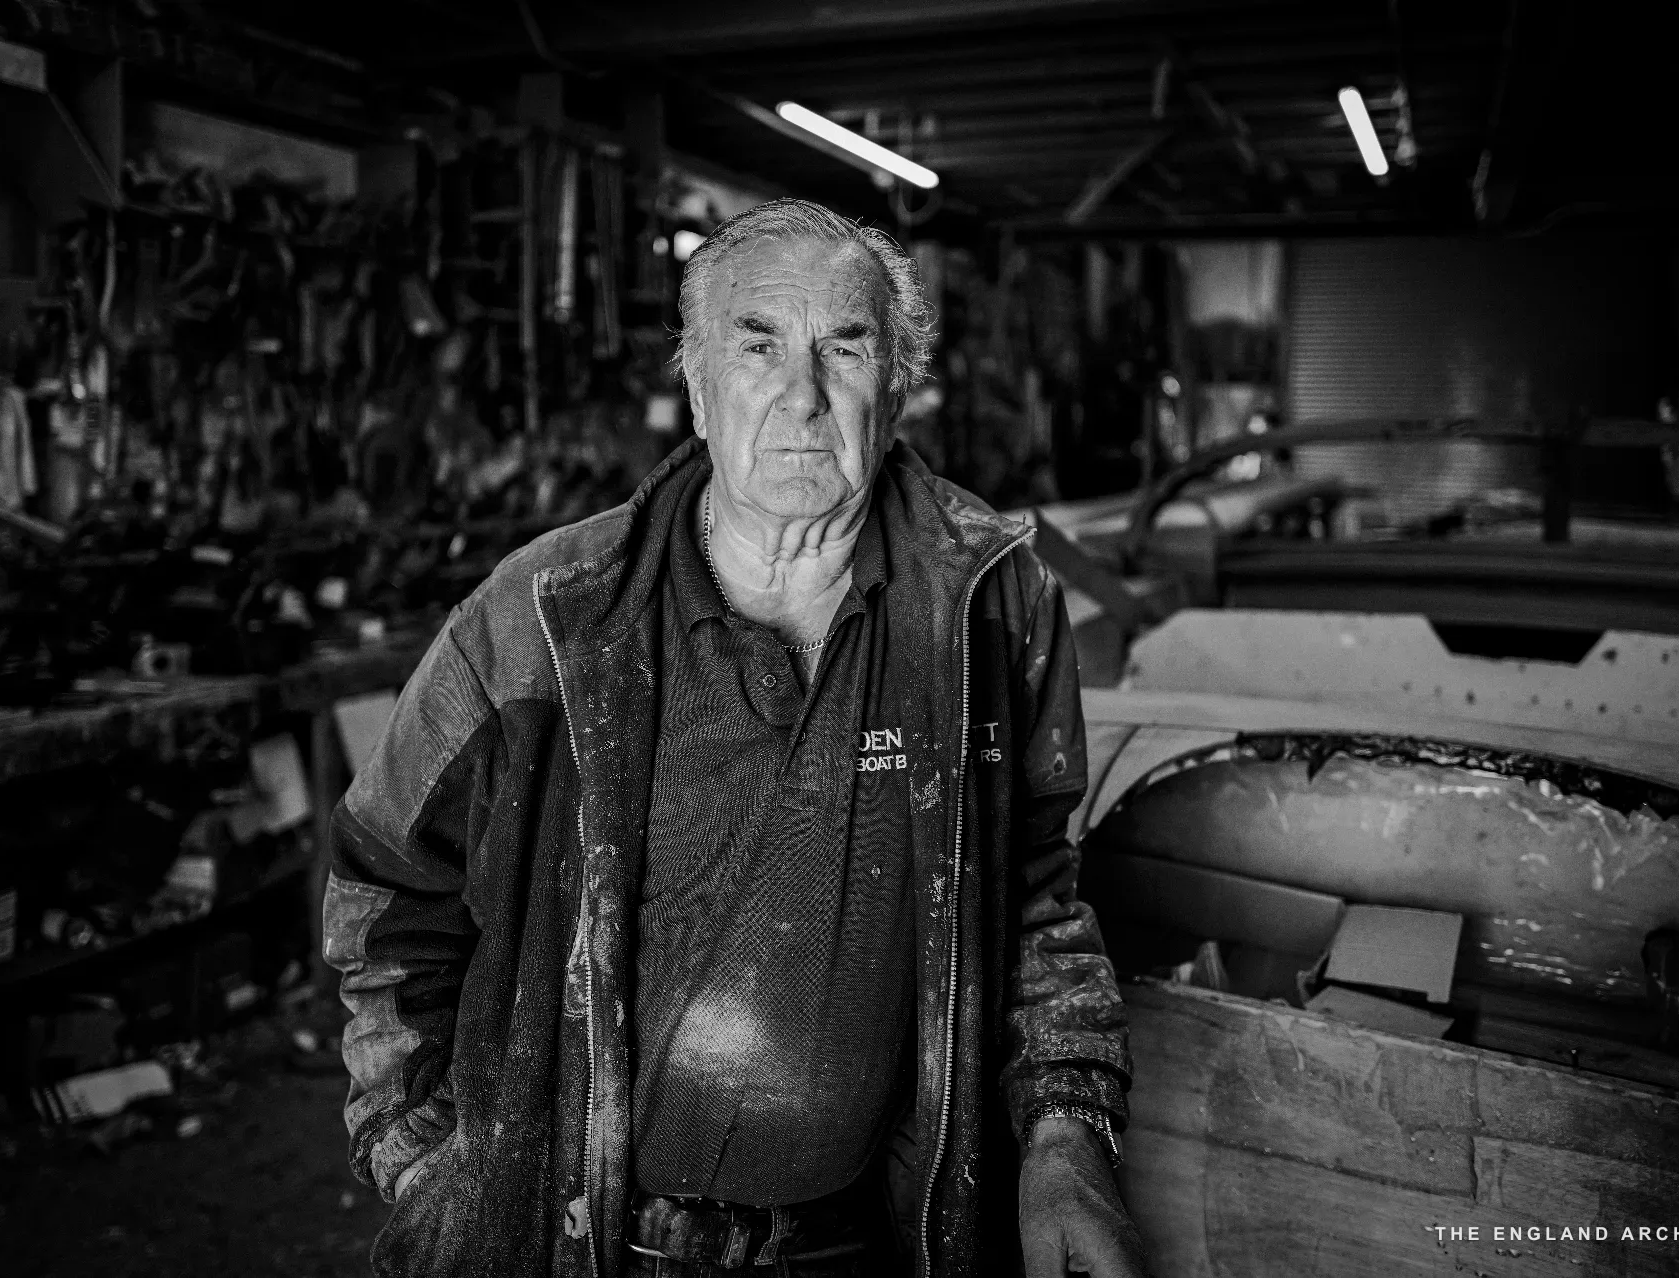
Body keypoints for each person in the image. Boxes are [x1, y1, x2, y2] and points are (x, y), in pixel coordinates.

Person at [324, 198, 1145, 1278]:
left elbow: (1038, 901)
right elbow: (386, 890)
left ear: (896, 389)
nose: (802, 396)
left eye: (844, 347)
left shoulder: (991, 613)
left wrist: (1063, 1143)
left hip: (865, 1240)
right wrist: (431, 1166)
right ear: (699, 392)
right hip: (576, 1239)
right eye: (757, 347)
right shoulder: (543, 616)